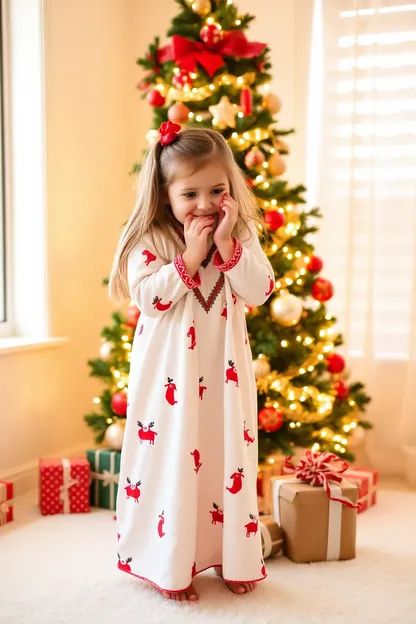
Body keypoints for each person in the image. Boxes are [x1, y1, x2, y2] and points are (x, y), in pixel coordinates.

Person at [108, 122, 275, 602]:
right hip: (170, 381)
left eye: (217, 190)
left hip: (224, 379)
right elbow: (149, 298)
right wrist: (191, 255)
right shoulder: (150, 240)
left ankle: (233, 555)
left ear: (232, 188)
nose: (205, 204)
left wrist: (224, 247)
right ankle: (169, 561)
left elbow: (260, 290)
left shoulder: (239, 234)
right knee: (174, 461)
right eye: (191, 193)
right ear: (165, 196)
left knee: (227, 458)